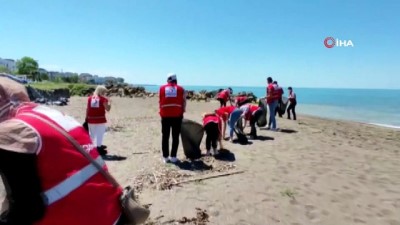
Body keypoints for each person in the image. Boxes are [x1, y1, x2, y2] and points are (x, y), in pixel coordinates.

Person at [0, 77, 124, 225]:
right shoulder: (55, 115)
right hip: (111, 208)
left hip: (78, 216)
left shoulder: (12, 131)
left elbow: (27, 208)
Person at [159, 73, 186, 163]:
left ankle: (165, 157)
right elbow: (184, 101)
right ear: (176, 80)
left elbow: (160, 101)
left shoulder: (162, 88)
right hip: (177, 116)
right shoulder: (181, 89)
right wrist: (183, 111)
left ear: (168, 80)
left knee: (165, 136)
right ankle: (173, 156)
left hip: (165, 115)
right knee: (175, 136)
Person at [86, 85, 111, 156]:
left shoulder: (90, 98)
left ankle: (90, 148)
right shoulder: (103, 99)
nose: (105, 93)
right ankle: (99, 147)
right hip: (100, 119)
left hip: (91, 118)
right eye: (104, 92)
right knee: (100, 134)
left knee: (92, 134)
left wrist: (86, 117)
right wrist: (110, 103)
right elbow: (108, 109)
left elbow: (87, 109)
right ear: (102, 92)